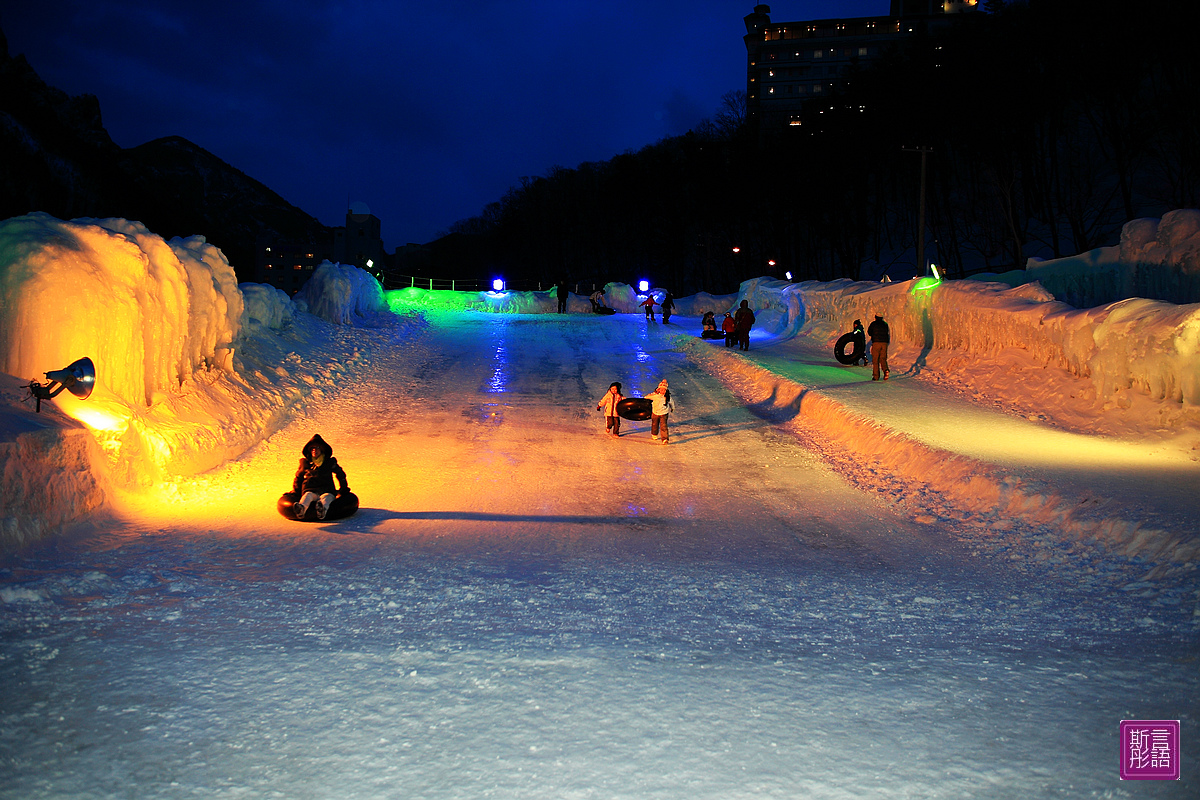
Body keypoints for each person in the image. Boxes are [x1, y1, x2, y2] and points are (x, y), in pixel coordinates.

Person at [290, 434, 351, 520]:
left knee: (326, 498)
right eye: (312, 448)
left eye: (317, 448)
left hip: (326, 490)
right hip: (311, 490)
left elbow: (340, 474)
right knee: (307, 496)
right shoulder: (306, 463)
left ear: (322, 449)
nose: (315, 450)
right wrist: (296, 491)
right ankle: (301, 509)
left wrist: (343, 488)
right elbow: (298, 477)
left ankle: (322, 510)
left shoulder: (329, 462)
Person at [648, 379, 675, 444]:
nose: (663, 391)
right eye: (661, 389)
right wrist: (650, 395)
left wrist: (672, 408)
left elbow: (671, 403)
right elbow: (646, 397)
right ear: (659, 389)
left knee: (663, 426)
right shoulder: (655, 396)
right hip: (655, 413)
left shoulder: (667, 397)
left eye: (664, 390)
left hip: (664, 413)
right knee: (655, 424)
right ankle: (654, 434)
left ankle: (665, 439)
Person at [868, 313, 890, 381]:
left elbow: (869, 332)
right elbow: (887, 333)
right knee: (883, 358)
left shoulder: (873, 324)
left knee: (875, 360)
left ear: (876, 317)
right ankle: (885, 370)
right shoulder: (885, 324)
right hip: (884, 343)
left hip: (876, 343)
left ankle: (876, 376)